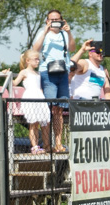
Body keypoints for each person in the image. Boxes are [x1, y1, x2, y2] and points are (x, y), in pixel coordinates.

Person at [32, 9, 76, 153]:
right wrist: (45, 31)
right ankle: (46, 143)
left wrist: (69, 32)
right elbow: (35, 49)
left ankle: (58, 143)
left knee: (59, 110)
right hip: (47, 72)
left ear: (62, 20)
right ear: (47, 21)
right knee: (48, 109)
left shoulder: (64, 34)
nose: (54, 22)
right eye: (51, 19)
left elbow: (72, 48)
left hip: (63, 73)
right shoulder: (43, 33)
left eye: (57, 19)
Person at [11, 49, 50, 154]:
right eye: (35, 59)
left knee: (45, 122)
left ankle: (47, 145)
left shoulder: (38, 73)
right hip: (30, 98)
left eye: (38, 59)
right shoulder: (24, 72)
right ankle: (35, 146)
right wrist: (7, 75)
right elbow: (15, 83)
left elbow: (40, 87)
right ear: (28, 60)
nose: (38, 61)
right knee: (33, 124)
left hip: (39, 98)